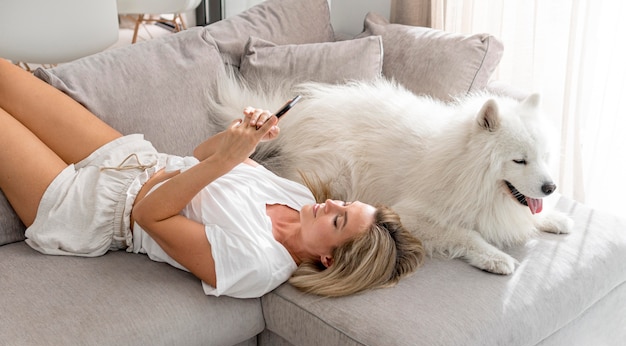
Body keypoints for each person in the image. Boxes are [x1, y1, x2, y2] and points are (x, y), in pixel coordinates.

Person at [0, 59, 424, 298]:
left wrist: (226, 161)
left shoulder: (257, 264)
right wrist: (243, 138)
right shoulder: (296, 197)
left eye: (338, 220)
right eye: (344, 205)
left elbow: (151, 216)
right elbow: (197, 158)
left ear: (329, 259)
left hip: (93, 210)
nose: (331, 204)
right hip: (132, 158)